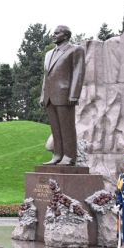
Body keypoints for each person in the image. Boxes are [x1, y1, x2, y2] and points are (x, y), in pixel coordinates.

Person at [41, 25, 86, 166]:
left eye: (57, 33)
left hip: (65, 95)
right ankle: (57, 155)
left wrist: (74, 94)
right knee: (55, 129)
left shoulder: (76, 50)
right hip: (49, 96)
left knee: (67, 128)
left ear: (66, 35)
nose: (53, 35)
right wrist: (43, 95)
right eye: (53, 33)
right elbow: (46, 77)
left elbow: (78, 72)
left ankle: (69, 156)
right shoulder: (49, 54)